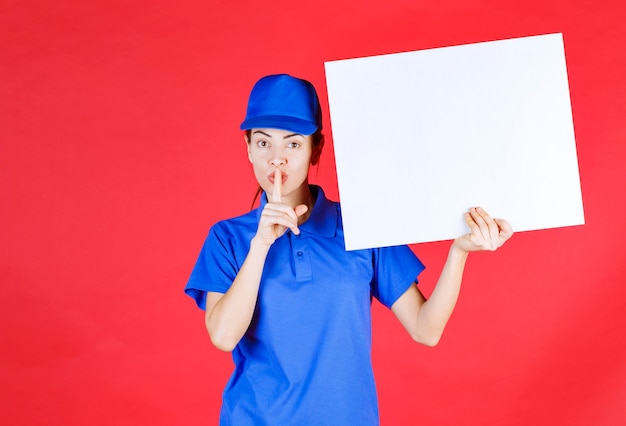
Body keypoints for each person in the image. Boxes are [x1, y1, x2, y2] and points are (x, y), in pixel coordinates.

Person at [185, 74, 513, 425]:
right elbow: (222, 336)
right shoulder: (227, 238)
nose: (276, 160)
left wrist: (459, 251)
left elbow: (425, 329)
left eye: (293, 144)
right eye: (264, 143)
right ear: (248, 148)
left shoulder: (360, 226)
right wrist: (261, 244)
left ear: (317, 149)